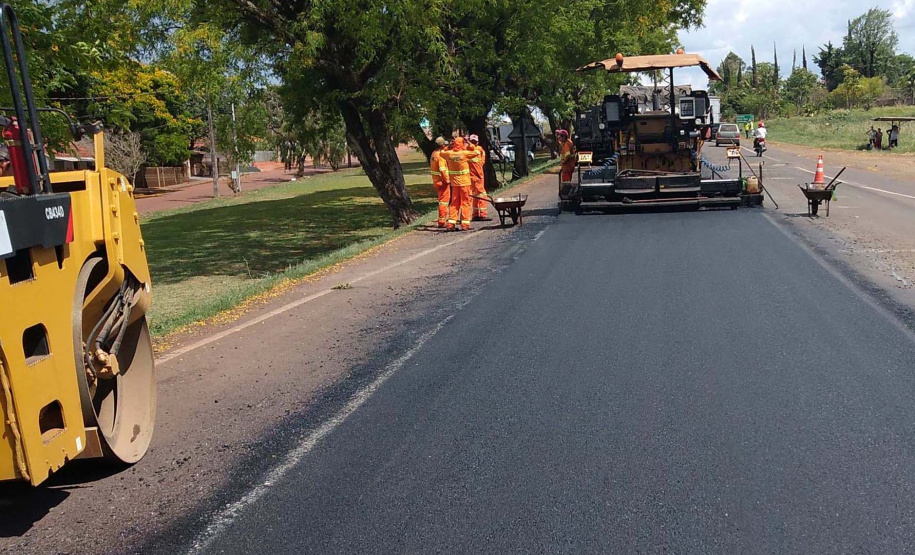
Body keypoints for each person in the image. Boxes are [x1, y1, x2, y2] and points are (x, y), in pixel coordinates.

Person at [444, 136, 477, 231]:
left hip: (454, 184)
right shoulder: (464, 154)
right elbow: (476, 152)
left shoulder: (449, 154)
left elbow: (441, 153)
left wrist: (448, 146)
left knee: (454, 203)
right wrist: (470, 143)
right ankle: (465, 224)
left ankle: (451, 223)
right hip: (465, 183)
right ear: (462, 144)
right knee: (465, 202)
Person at [466, 134, 489, 221]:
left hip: (475, 176)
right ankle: (482, 214)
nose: (473, 143)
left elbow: (482, 161)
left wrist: (468, 143)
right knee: (481, 194)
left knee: (475, 195)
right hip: (476, 177)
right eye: (472, 141)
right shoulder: (473, 149)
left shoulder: (477, 150)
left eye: (474, 141)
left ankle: (475, 214)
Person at [429, 137, 450, 228]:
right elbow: (442, 169)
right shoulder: (441, 156)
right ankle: (442, 221)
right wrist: (447, 180)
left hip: (436, 181)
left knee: (442, 200)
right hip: (442, 181)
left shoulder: (433, 154)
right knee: (444, 202)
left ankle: (442, 219)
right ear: (442, 145)